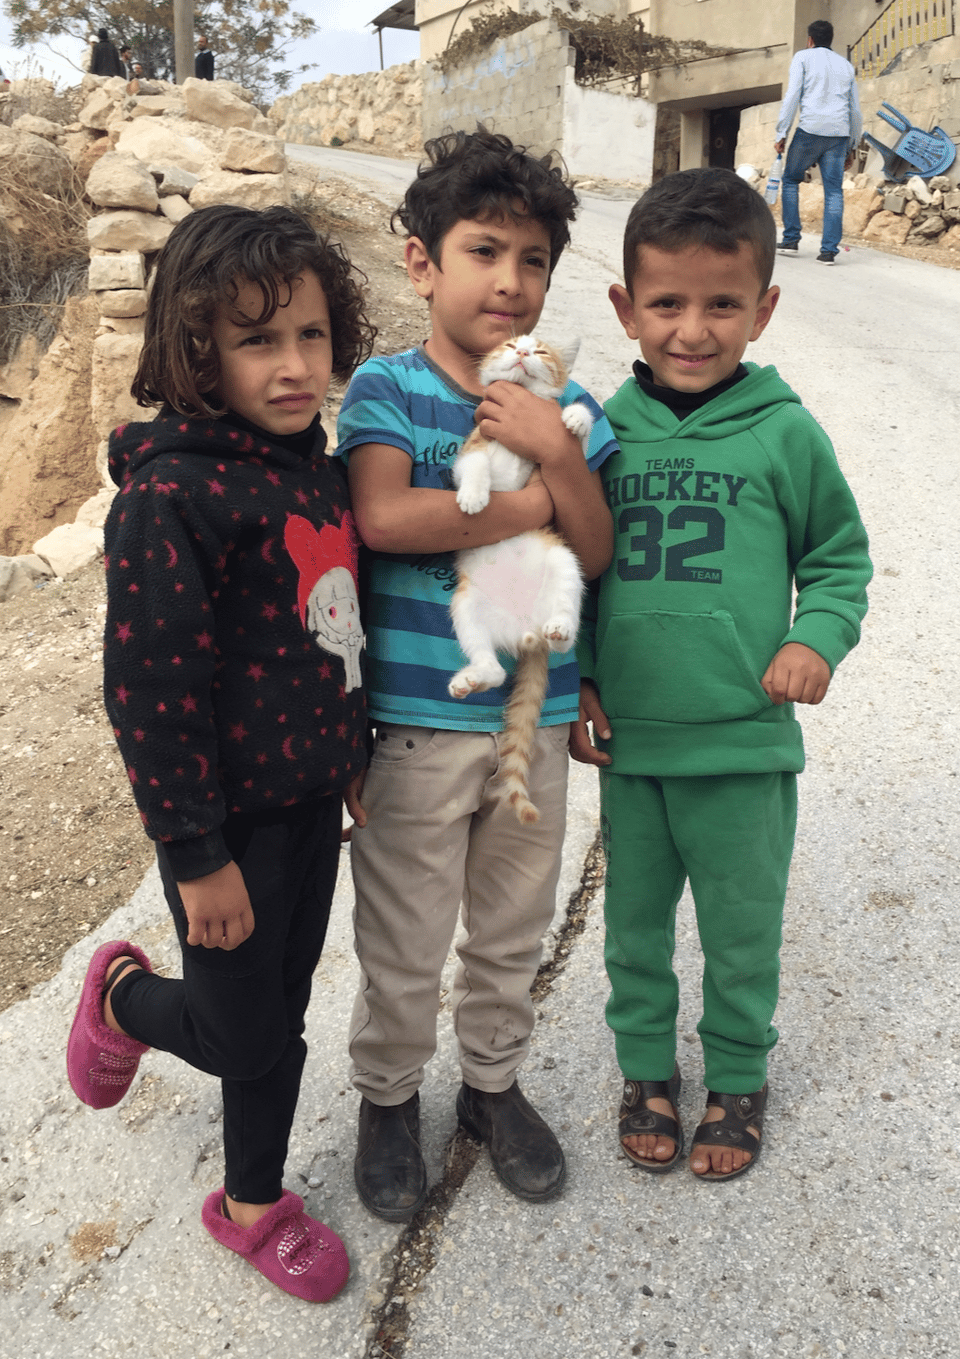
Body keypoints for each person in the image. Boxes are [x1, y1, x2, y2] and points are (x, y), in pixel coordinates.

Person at [66, 204, 376, 1300]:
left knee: (277, 1018)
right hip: (227, 825)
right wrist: (196, 856)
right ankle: (123, 1001)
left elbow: (333, 637)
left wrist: (351, 755)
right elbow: (151, 692)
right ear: (198, 351)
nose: (294, 365)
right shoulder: (172, 497)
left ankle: (251, 1205)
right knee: (240, 1033)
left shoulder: (315, 471)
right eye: (256, 340)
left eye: (310, 333)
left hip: (311, 807)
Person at [336, 127, 618, 1220]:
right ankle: (388, 1097)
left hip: (529, 725)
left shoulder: (565, 406)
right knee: (403, 936)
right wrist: (531, 498)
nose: (511, 281)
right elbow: (385, 515)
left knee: (511, 926)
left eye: (533, 259)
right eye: (485, 251)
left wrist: (556, 450)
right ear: (423, 263)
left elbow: (596, 549)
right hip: (415, 724)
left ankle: (492, 1086)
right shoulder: (389, 389)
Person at [573, 167, 871, 1181]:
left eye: (721, 305)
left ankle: (739, 1077)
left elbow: (838, 559)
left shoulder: (785, 433)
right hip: (635, 747)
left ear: (763, 309)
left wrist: (814, 639)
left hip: (745, 745)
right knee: (634, 931)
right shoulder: (599, 434)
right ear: (626, 308)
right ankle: (646, 1073)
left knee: (742, 933)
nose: (692, 330)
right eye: (666, 304)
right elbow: (575, 569)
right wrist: (581, 679)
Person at [773, 20, 862, 264]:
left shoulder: (802, 57)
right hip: (838, 134)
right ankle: (828, 251)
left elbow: (792, 96)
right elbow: (855, 110)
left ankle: (791, 239)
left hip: (810, 130)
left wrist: (781, 133)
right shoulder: (846, 66)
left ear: (810, 40)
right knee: (834, 191)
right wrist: (852, 146)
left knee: (791, 180)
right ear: (830, 39)